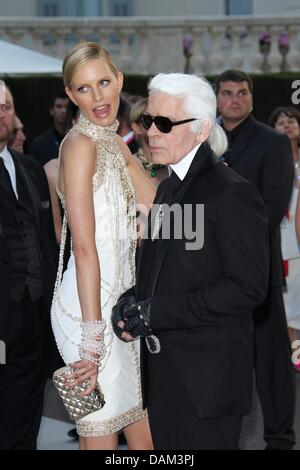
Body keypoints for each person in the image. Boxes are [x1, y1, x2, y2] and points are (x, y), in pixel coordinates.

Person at [112, 72, 269, 450]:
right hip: (166, 379)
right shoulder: (167, 188)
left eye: (164, 123)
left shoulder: (232, 192)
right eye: (148, 120)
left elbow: (247, 287)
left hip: (207, 385)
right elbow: (159, 270)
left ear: (200, 130)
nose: (151, 132)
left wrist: (157, 312)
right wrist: (131, 302)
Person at [51, 42, 155, 450]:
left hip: (121, 310)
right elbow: (84, 249)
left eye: (104, 83)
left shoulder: (110, 142)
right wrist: (91, 341)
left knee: (142, 436)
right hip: (88, 315)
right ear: (70, 94)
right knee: (102, 439)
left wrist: (126, 152)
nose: (97, 97)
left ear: (120, 81)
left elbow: (157, 212)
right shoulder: (78, 147)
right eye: (83, 88)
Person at [215, 69, 295, 450]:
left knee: (272, 362)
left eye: (242, 93)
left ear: (251, 97)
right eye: (227, 93)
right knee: (221, 363)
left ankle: (280, 438)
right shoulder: (201, 137)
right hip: (209, 275)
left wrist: (223, 237)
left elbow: (272, 207)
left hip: (258, 271)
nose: (234, 99)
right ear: (216, 98)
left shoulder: (273, 142)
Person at [0, 80, 57, 449]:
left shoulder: (32, 170)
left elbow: (48, 242)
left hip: (33, 321)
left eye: (5, 106)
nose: (1, 114)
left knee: (24, 423)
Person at [269, 107, 300, 370]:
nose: (287, 125)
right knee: (290, 306)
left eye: (292, 120)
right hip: (286, 242)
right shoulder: (271, 163)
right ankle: (295, 357)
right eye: (280, 122)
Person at [130, 98, 169, 187]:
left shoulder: (178, 164)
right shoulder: (128, 167)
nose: (157, 126)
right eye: (148, 120)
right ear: (136, 127)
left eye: (162, 120)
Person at [30, 91, 69, 165]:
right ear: (51, 111)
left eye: (66, 107)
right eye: (59, 106)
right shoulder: (39, 144)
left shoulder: (80, 140)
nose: (63, 111)